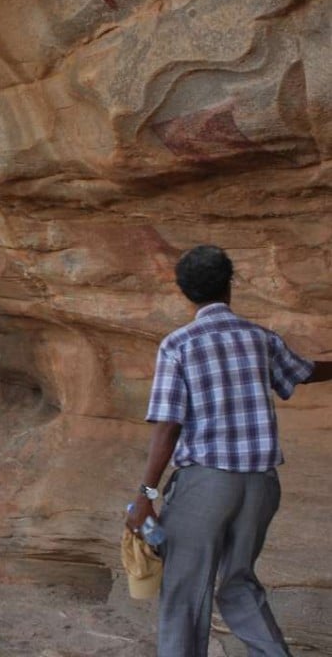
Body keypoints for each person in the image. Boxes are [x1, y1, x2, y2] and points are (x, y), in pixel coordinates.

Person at [125, 244, 332, 657]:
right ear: (229, 284)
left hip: (206, 485)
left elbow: (168, 426)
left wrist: (145, 496)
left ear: (184, 292)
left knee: (185, 589)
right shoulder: (260, 338)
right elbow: (305, 372)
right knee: (238, 582)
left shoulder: (178, 344)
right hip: (260, 486)